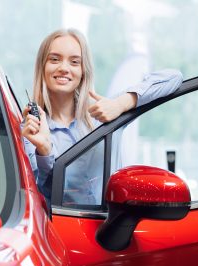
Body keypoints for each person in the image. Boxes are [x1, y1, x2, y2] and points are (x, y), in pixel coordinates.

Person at [21, 28, 183, 207]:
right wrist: (44, 150)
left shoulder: (105, 111)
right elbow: (42, 199)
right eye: (54, 59)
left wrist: (121, 104)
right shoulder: (32, 129)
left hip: (113, 227)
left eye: (74, 62)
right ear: (42, 67)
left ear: (84, 71)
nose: (64, 68)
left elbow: (174, 78)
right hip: (65, 229)